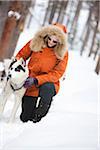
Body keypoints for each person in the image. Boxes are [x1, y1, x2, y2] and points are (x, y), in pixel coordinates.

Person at [16, 23, 68, 123]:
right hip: (30, 82)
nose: (51, 42)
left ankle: (40, 116)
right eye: (50, 39)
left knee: (47, 90)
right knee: (25, 118)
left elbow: (57, 73)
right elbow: (21, 56)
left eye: (55, 41)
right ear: (46, 35)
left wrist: (37, 80)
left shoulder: (63, 52)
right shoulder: (36, 42)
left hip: (48, 82)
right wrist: (18, 69)